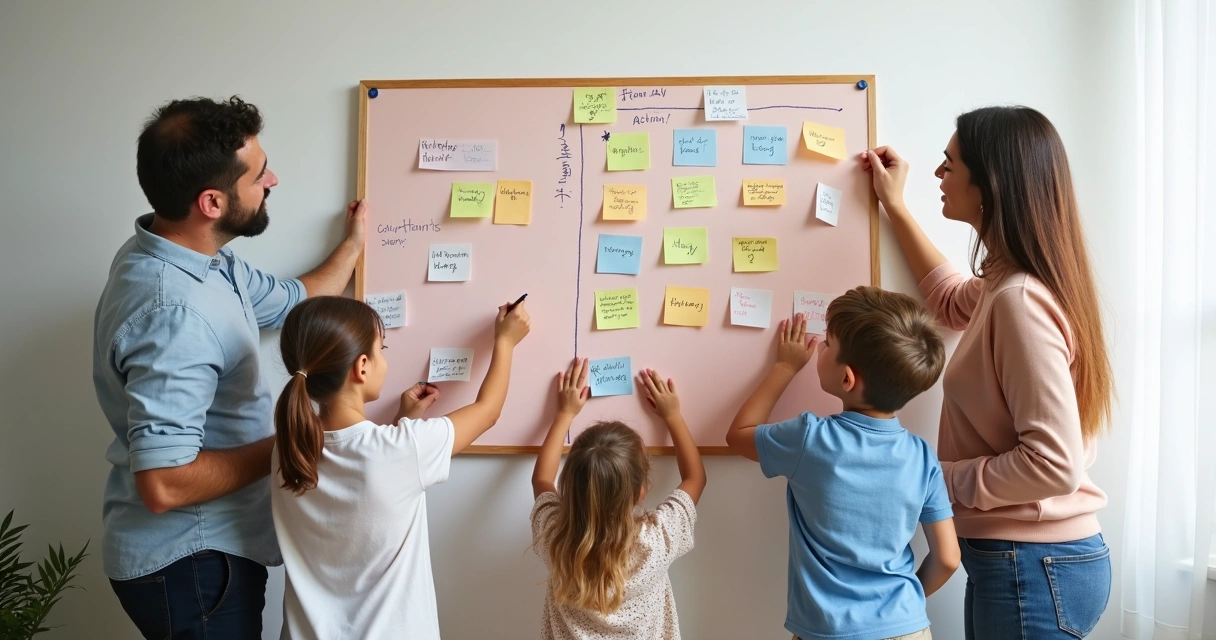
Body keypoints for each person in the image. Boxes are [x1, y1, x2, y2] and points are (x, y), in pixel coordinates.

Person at [93, 96, 366, 639]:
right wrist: (292, 439)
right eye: (259, 175)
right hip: (190, 564)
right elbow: (164, 484)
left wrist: (354, 247)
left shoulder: (191, 255)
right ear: (212, 202)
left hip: (206, 555)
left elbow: (293, 298)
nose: (274, 180)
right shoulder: (174, 313)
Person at [861, 105, 1115, 639]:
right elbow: (952, 300)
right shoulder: (1007, 282)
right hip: (1025, 561)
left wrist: (933, 477)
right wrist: (895, 206)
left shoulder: (1019, 300)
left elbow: (1052, 465)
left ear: (990, 184)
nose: (938, 174)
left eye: (950, 164)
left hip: (1035, 564)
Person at [269, 295, 530, 639]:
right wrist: (505, 341)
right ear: (362, 367)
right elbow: (488, 411)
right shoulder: (401, 450)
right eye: (383, 348)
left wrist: (402, 421)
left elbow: (362, 472)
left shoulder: (285, 451)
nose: (385, 360)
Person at [726, 288, 959, 640]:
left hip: (830, 631)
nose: (820, 347)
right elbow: (947, 559)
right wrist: (901, 606)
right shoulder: (921, 455)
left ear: (847, 378)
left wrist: (785, 366)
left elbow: (739, 435)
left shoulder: (810, 438)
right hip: (907, 626)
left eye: (828, 345)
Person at [530, 359, 706, 639]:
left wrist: (564, 414)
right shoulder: (657, 539)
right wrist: (673, 416)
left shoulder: (556, 540)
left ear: (570, 487)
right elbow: (695, 478)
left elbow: (541, 480)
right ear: (640, 492)